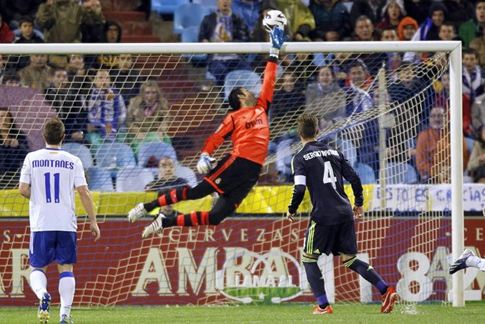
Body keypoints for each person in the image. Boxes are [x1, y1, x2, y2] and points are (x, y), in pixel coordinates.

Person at [127, 26, 289, 238]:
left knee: (216, 217)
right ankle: (147, 207)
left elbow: (269, 79)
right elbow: (215, 138)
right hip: (237, 162)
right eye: (247, 90)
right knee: (196, 192)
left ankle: (166, 222)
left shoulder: (261, 108)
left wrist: (274, 52)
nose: (252, 91)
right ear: (240, 97)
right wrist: (204, 153)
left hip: (252, 171)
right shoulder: (233, 117)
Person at [286, 113, 398, 315]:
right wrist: (359, 203)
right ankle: (385, 289)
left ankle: (323, 305)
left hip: (323, 214)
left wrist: (292, 209)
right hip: (344, 211)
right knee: (350, 259)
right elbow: (354, 178)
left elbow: (300, 189)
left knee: (309, 258)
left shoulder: (300, 158)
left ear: (300, 133)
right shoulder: (333, 152)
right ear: (318, 131)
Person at [19, 118, 100, 324]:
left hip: (41, 222)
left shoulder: (32, 157)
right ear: (63, 138)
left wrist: (38, 198)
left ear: (44, 136)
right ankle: (64, 315)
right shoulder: (73, 160)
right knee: (66, 268)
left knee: (38, 267)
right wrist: (93, 221)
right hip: (65, 223)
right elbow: (84, 192)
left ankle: (43, 295)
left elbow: (22, 189)